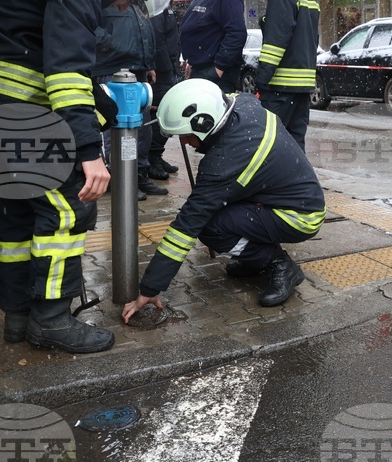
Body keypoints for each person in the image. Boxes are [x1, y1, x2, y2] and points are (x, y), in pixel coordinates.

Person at [0, 0, 176, 354]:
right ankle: (53, 321)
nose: (120, 8)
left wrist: (103, 108)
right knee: (67, 205)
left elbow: (50, 52)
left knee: (20, 203)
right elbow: (65, 70)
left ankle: (18, 315)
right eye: (130, 0)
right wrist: (89, 154)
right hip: (20, 99)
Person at [120, 79, 326, 322]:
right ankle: (255, 258)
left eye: (185, 135)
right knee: (220, 213)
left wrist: (150, 288)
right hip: (287, 198)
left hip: (299, 217)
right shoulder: (243, 105)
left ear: (204, 124)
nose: (184, 142)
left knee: (209, 227)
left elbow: (186, 226)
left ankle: (279, 265)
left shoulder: (224, 162)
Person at [93, 2, 168, 198]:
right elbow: (89, 26)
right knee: (117, 126)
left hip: (137, 70)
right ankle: (119, 177)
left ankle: (138, 174)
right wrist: (110, 44)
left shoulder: (136, 2)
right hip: (112, 69)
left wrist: (148, 63)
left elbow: (144, 33)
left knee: (142, 128)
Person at [253, 0, 320, 150]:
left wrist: (261, 80)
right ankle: (298, 182)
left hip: (280, 88)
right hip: (302, 88)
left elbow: (275, 42)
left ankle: (270, 184)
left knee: (268, 144)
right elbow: (309, 41)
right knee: (295, 144)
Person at [179, 0, 247, 92]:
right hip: (201, 70)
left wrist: (219, 68)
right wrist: (192, 63)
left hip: (216, 75)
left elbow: (236, 33)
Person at [147, 8, 182, 179]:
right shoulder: (157, 7)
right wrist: (166, 66)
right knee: (160, 114)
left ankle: (157, 155)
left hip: (168, 68)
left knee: (165, 114)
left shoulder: (165, 6)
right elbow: (157, 38)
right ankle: (152, 158)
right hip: (162, 71)